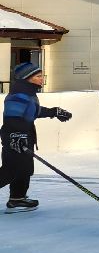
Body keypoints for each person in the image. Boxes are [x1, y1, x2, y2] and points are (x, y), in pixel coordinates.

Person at [0, 62, 72, 211]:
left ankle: (17, 198)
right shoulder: (19, 94)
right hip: (15, 137)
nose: (42, 79)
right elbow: (13, 117)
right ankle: (17, 198)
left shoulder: (28, 93)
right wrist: (16, 135)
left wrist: (53, 111)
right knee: (10, 171)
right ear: (27, 78)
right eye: (38, 76)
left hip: (23, 135)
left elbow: (33, 111)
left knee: (24, 169)